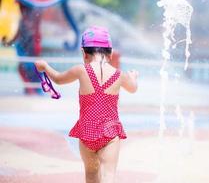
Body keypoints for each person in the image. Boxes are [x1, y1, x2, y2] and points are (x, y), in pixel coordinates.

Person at [35, 26, 138, 183]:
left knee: (90, 175)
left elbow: (58, 78)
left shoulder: (80, 70)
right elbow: (133, 89)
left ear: (84, 53)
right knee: (108, 175)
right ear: (110, 53)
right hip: (110, 132)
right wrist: (133, 77)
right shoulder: (119, 75)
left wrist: (45, 67)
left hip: (86, 132)